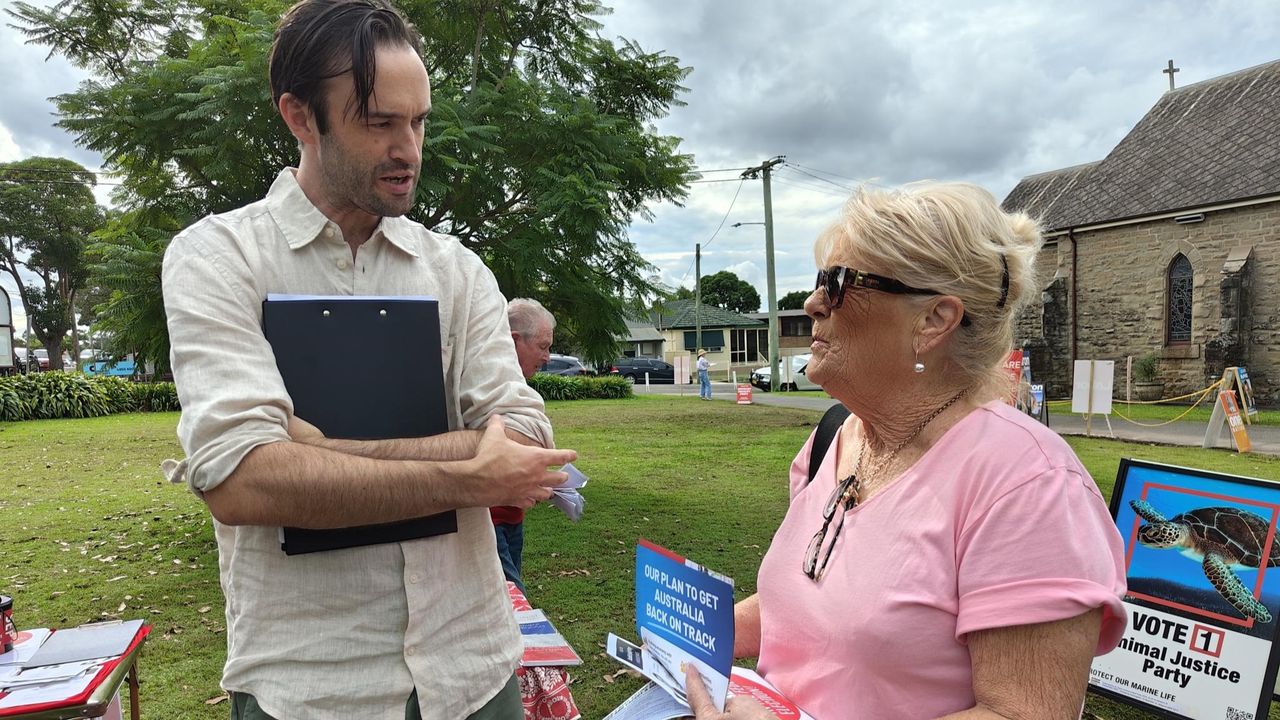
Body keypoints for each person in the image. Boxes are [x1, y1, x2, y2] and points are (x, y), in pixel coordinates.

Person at [160, 1, 576, 718]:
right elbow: (242, 482)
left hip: (474, 669)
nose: (408, 148)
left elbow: (528, 438)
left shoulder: (456, 270)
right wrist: (469, 473)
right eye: (379, 122)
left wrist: (319, 451)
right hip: (313, 686)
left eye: (418, 122)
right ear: (300, 116)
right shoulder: (220, 257)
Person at [684, 182, 1127, 719]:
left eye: (839, 283)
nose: (813, 303)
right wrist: (690, 637)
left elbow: (1021, 713)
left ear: (934, 320)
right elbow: (804, 605)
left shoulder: (1029, 484)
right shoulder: (835, 437)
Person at [492, 298, 556, 591]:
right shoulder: (487, 383)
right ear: (514, 340)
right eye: (543, 346)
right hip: (487, 521)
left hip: (512, 517)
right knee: (514, 600)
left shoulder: (516, 386)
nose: (548, 357)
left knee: (511, 599)